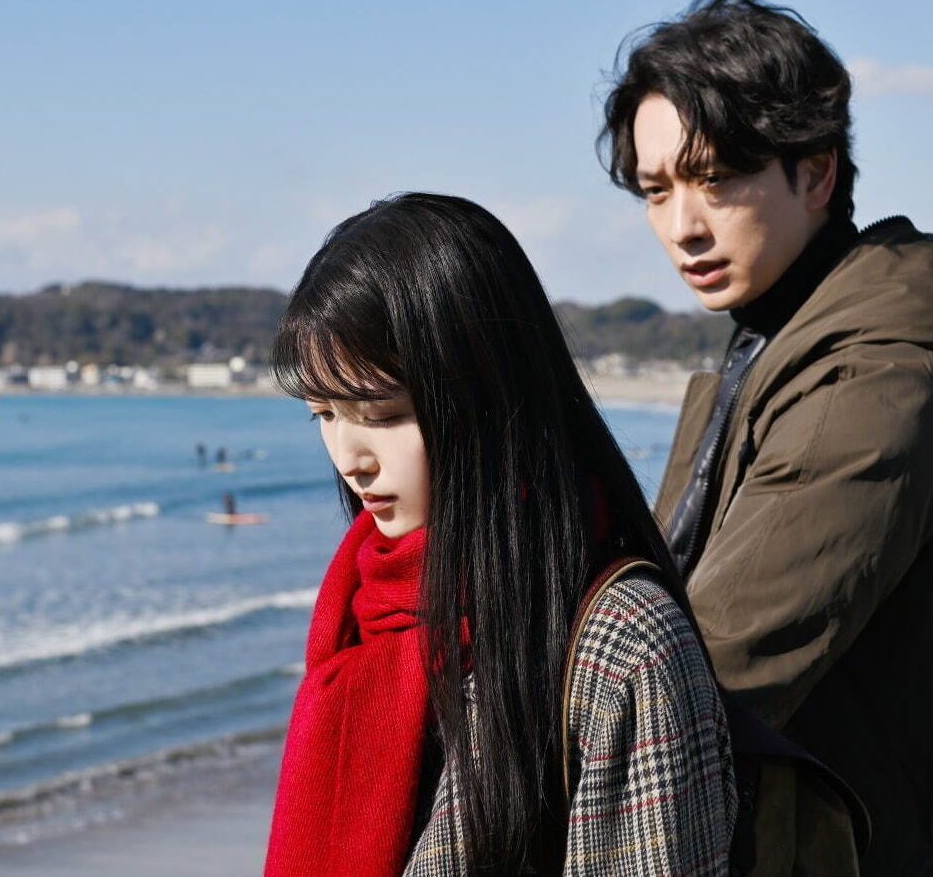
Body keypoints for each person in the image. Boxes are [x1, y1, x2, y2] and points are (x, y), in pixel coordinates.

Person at [599, 0, 933, 876]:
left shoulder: (871, 385)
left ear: (815, 174)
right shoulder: (775, 345)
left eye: (717, 177)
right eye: (657, 190)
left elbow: (701, 677)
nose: (684, 226)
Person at [263, 193, 736, 876]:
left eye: (384, 414)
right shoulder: (366, 608)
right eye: (324, 414)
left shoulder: (623, 645)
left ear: (487, 398)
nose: (350, 458)